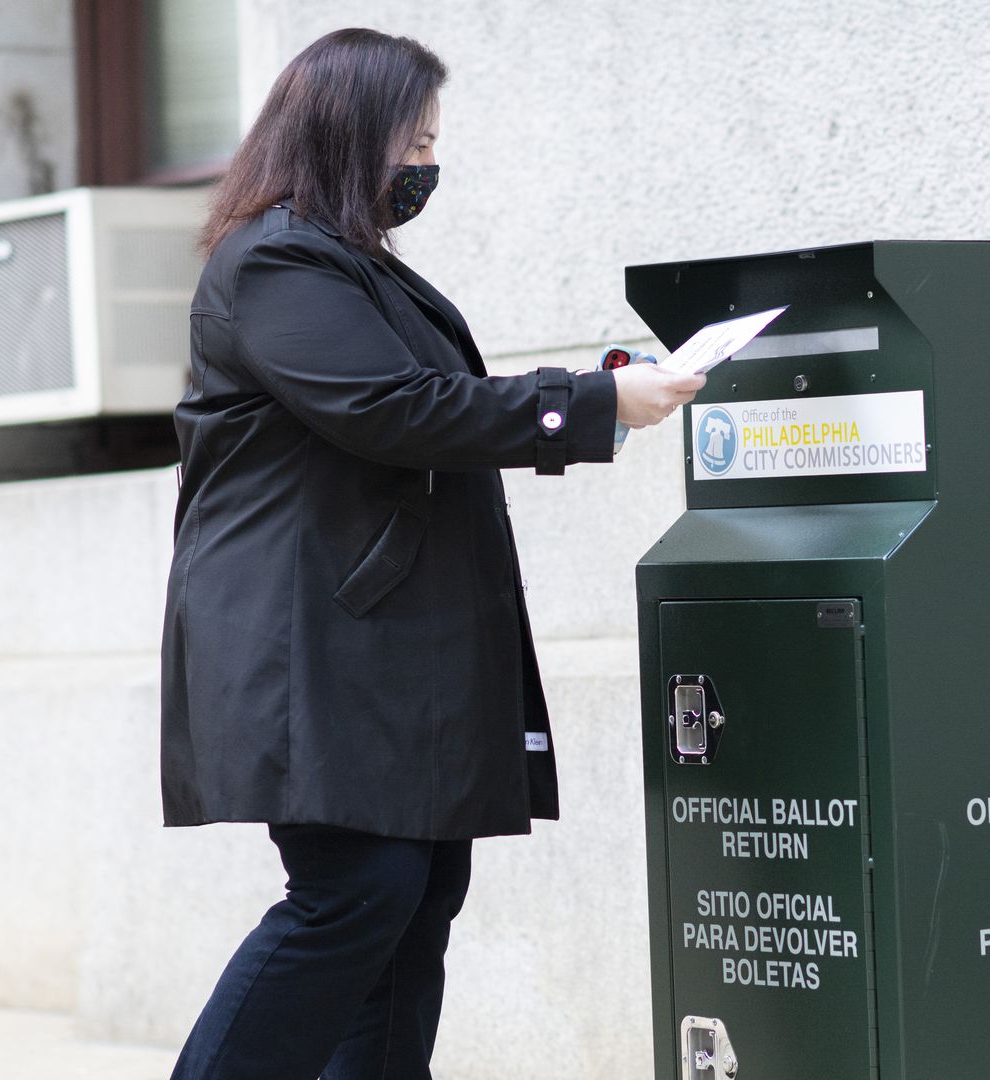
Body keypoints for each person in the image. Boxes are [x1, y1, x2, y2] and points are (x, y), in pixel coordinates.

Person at [158, 27, 703, 1080]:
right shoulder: (277, 260)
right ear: (349, 137)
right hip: (315, 652)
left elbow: (423, 406)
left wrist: (596, 395)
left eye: (433, 142)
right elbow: (393, 408)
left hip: (378, 652)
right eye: (413, 141)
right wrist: (589, 404)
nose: (425, 165)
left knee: (412, 902)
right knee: (354, 895)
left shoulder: (343, 266)